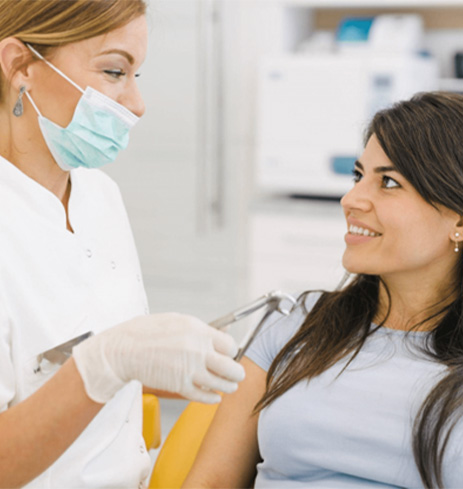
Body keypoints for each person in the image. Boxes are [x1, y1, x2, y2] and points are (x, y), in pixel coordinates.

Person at [0, 1, 245, 487]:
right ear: (20, 65)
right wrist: (109, 361)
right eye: (115, 71)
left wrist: (176, 359)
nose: (136, 103)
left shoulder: (99, 195)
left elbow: (63, 373)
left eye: (135, 75)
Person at [182, 91, 463, 489]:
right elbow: (211, 482)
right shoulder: (295, 327)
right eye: (357, 176)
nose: (351, 199)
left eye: (388, 182)